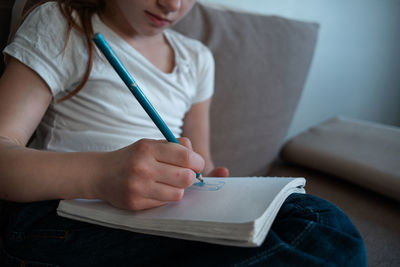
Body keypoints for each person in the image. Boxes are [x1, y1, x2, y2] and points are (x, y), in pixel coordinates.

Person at [0, 0, 366, 266]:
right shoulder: (63, 24)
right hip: (63, 215)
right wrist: (101, 175)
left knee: (315, 220)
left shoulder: (197, 58)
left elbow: (203, 158)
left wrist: (210, 179)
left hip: (166, 213)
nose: (172, 5)